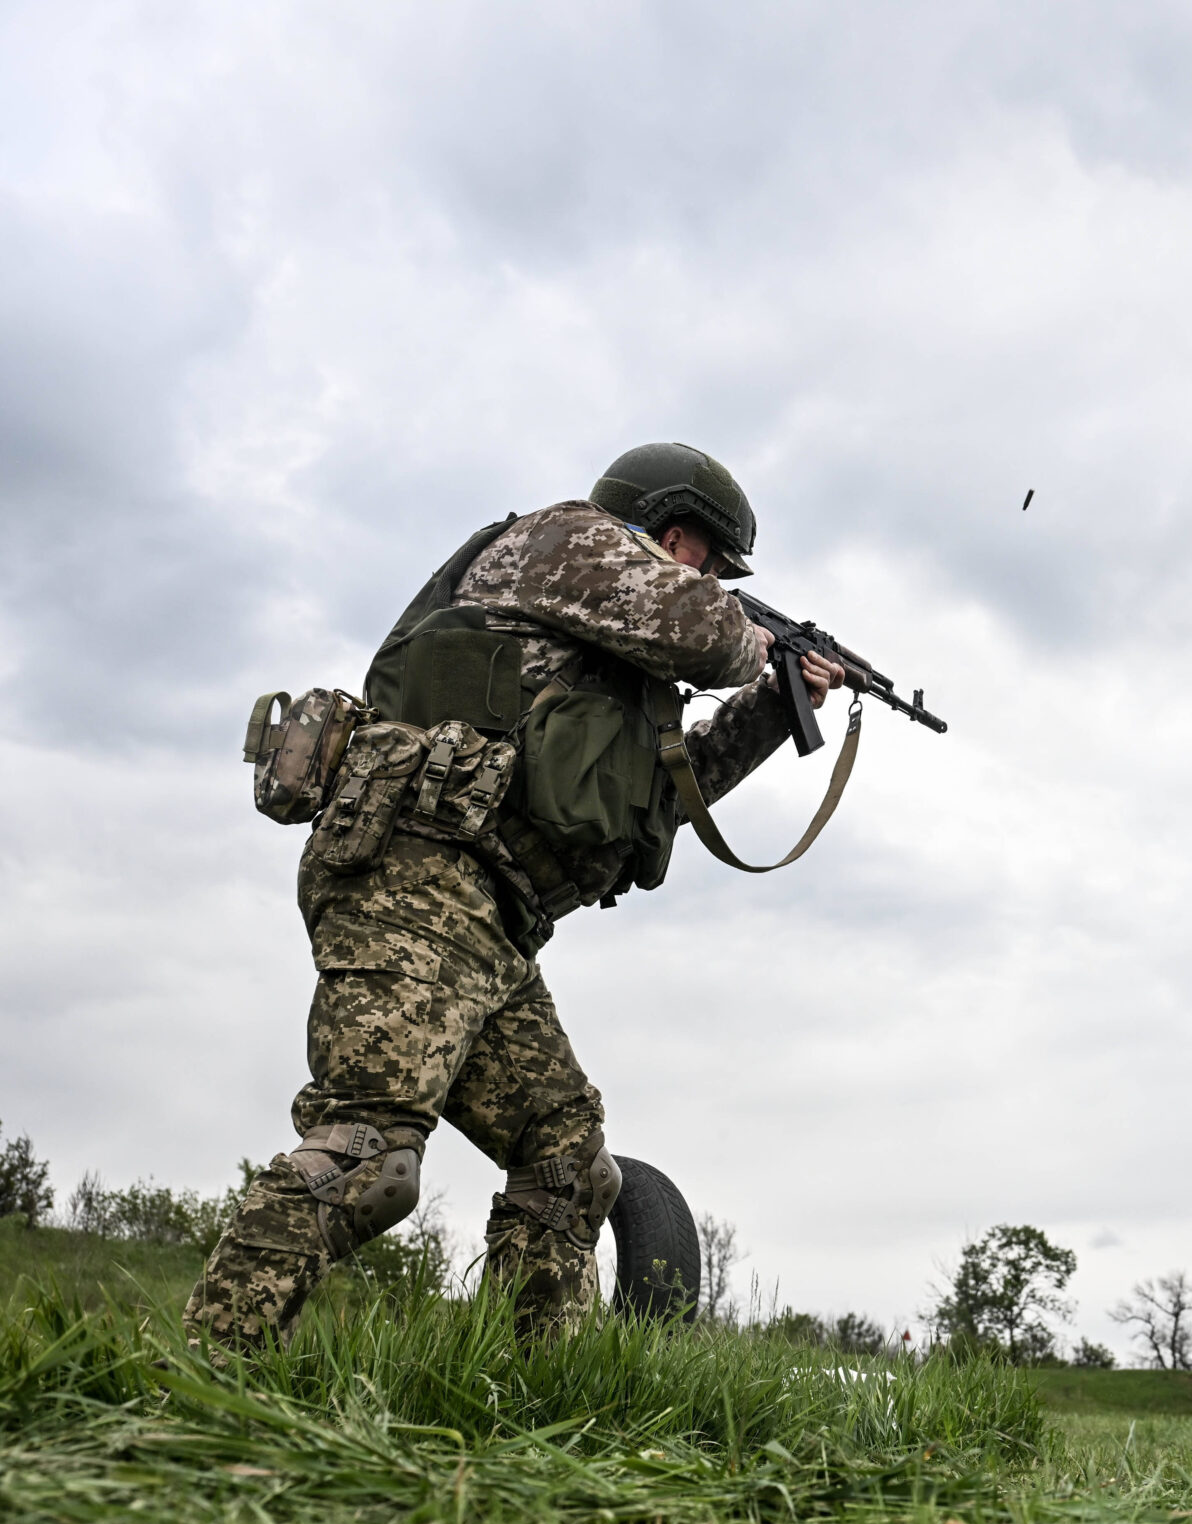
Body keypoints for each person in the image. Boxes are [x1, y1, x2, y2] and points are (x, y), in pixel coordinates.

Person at [185, 443, 840, 1347]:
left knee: (568, 1165)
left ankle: (520, 1392)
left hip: (493, 919)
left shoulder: (613, 651)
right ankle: (207, 1371)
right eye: (712, 562)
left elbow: (667, 795)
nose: (714, 582)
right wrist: (758, 642)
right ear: (670, 530)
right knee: (368, 1155)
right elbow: (709, 633)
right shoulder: (564, 540)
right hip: (416, 873)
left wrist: (775, 705)